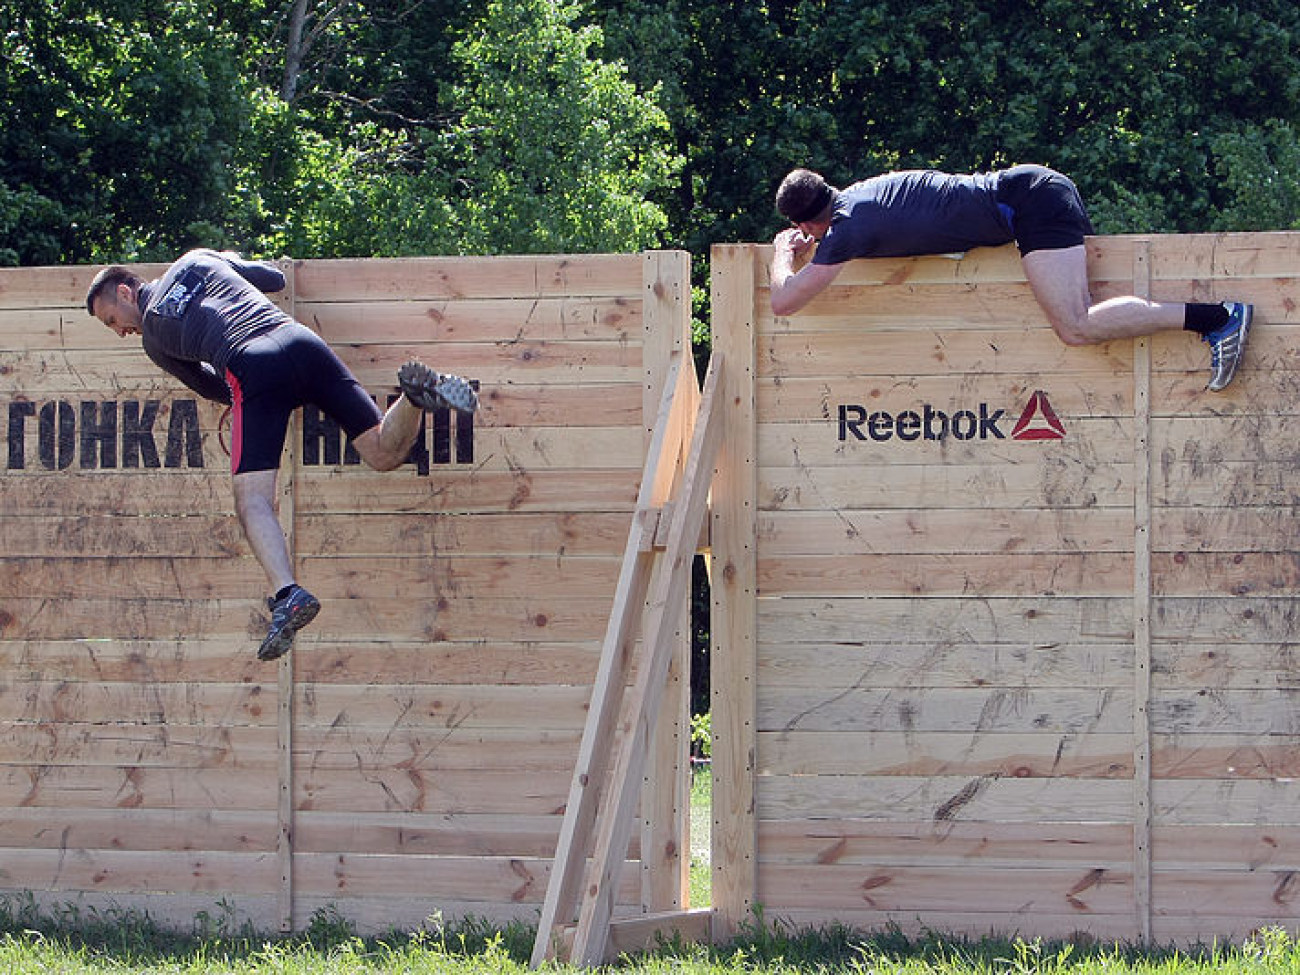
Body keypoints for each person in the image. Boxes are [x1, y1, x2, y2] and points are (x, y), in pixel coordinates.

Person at [86, 248, 479, 661]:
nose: (119, 332)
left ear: (127, 293)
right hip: (302, 343)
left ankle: (287, 593)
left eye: (112, 320)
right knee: (382, 451)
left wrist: (263, 400)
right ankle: (415, 398)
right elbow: (274, 280)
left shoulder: (153, 336)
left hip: (251, 365)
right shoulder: (197, 259)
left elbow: (209, 388)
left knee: (252, 499)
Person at [770, 164, 1253, 392]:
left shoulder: (849, 230)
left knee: (1075, 325)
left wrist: (780, 255)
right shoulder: (860, 197)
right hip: (1032, 192)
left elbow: (784, 302)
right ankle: (1215, 319)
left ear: (804, 225)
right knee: (1078, 319)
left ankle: (1218, 318)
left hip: (1029, 202)